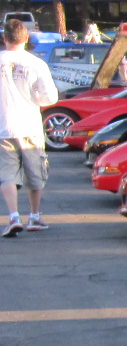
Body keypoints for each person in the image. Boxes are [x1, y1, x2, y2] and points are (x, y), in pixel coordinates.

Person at [0, 17, 58, 235]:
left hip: (3, 126)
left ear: (4, 38)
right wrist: (36, 99)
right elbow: (50, 97)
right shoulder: (36, 63)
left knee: (7, 174)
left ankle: (13, 216)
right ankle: (34, 216)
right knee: (35, 173)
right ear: (25, 39)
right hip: (30, 126)